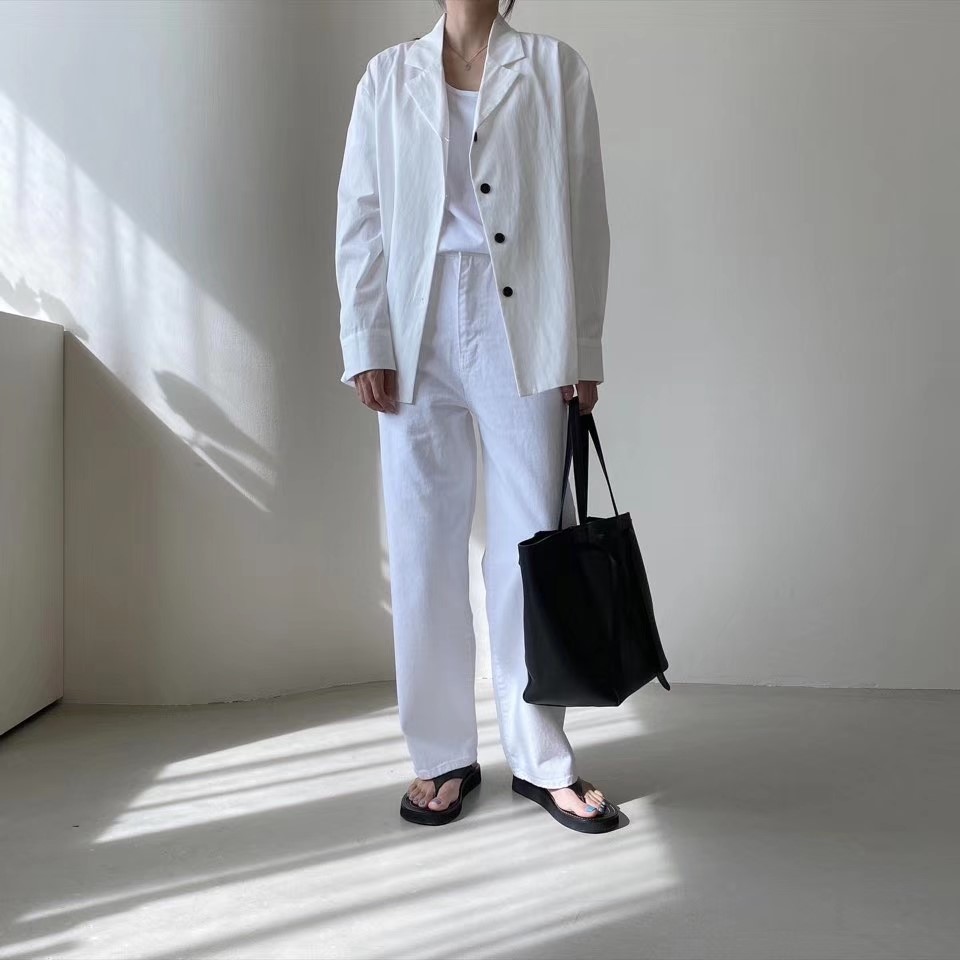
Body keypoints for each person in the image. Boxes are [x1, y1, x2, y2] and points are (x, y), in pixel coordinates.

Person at [334, 0, 617, 833]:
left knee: (532, 542)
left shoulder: (556, 69)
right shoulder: (386, 78)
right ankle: (441, 755)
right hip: (415, 323)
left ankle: (541, 757)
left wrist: (583, 344)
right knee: (421, 546)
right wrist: (366, 336)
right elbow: (362, 215)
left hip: (522, 321)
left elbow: (585, 213)